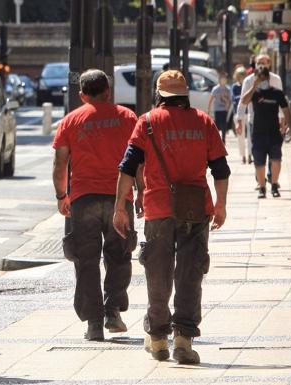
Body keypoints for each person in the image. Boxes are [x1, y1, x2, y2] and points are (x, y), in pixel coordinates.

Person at [113, 70, 230, 364]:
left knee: (158, 274)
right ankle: (183, 340)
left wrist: (119, 207)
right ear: (185, 94)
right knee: (190, 273)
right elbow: (220, 170)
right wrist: (221, 205)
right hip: (195, 210)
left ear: (159, 94)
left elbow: (127, 168)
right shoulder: (204, 122)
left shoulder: (148, 122)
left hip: (159, 210)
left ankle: (157, 339)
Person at [52, 69, 138, 341]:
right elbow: (139, 160)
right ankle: (113, 310)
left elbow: (60, 164)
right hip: (119, 198)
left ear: (82, 95)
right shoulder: (128, 118)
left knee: (86, 260)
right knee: (119, 255)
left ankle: (94, 323)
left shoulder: (70, 121)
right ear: (108, 91)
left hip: (83, 198)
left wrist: (61, 196)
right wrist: (143, 191)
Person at [240, 67, 291, 198]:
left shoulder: (277, 93)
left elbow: (286, 110)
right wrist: (253, 86)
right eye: (259, 78)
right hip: (258, 133)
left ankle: (274, 185)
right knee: (259, 162)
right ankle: (262, 187)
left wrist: (286, 126)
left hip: (274, 132)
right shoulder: (255, 94)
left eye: (264, 78)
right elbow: (244, 101)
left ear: (268, 78)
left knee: (276, 160)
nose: (262, 80)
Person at [236, 54, 284, 167]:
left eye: (264, 62)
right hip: (255, 122)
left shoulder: (276, 79)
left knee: (274, 150)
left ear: (269, 64)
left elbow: (281, 101)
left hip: (273, 122)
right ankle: (260, 180)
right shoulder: (248, 81)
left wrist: (282, 119)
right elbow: (243, 102)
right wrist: (239, 120)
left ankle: (271, 176)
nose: (261, 65)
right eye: (258, 63)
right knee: (258, 152)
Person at [231, 66, 249, 163]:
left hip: (248, 113)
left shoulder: (247, 85)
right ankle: (243, 156)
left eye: (243, 75)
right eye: (240, 75)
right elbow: (235, 99)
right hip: (238, 114)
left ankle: (250, 154)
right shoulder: (234, 87)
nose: (242, 77)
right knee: (240, 136)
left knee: (250, 135)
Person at [207, 73, 232, 142]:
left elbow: (230, 100)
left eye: (225, 79)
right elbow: (211, 98)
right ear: (219, 80)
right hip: (217, 109)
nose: (224, 80)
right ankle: (217, 138)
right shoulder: (216, 89)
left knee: (224, 124)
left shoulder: (228, 89)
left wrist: (228, 107)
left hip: (224, 109)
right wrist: (208, 108)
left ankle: (223, 139)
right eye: (222, 79)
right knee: (217, 124)